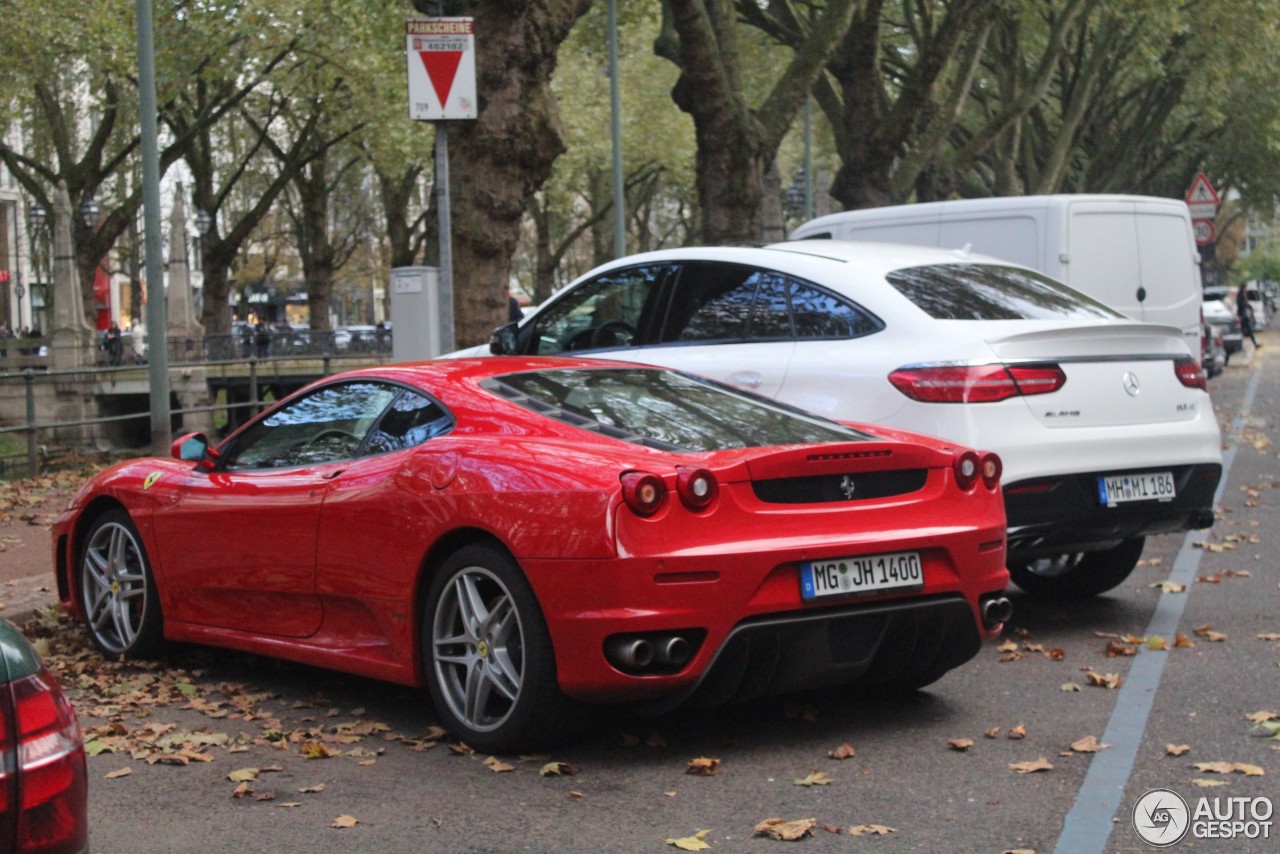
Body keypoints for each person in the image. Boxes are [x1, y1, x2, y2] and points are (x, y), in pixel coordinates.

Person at [1237, 282, 1261, 348]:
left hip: (1243, 314)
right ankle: (1253, 344)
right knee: (1246, 330)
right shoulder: (1241, 294)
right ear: (1244, 287)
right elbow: (1242, 304)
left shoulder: (1242, 294)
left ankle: (1254, 344)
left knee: (1247, 330)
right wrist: (1249, 307)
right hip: (1243, 315)